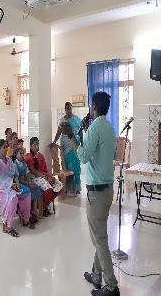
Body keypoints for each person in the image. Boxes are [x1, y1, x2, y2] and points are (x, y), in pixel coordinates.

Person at [66, 92, 119, 296]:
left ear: (94, 106)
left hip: (97, 192)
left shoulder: (96, 127)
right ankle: (97, 276)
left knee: (100, 239)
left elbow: (83, 156)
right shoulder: (108, 126)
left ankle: (112, 287)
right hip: (107, 189)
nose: (90, 108)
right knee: (100, 235)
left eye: (90, 105)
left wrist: (72, 137)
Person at [0, 140, 33, 237]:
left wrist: (15, 184)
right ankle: (8, 226)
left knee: (27, 192)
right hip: (1, 189)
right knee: (13, 198)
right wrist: (10, 186)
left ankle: (26, 219)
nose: (6, 149)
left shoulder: (9, 160)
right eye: (4, 147)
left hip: (11, 184)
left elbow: (13, 175)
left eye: (7, 146)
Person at [25, 137, 63, 217]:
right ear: (31, 146)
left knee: (59, 185)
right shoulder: (29, 157)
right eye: (35, 145)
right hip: (35, 177)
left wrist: (49, 175)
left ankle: (45, 205)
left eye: (38, 144)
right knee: (49, 189)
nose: (37, 147)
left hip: (43, 176)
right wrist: (45, 177)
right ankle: (43, 207)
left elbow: (45, 169)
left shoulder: (41, 155)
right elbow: (33, 171)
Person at [52, 101, 82, 194]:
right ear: (65, 110)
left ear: (71, 108)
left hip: (74, 142)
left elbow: (80, 132)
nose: (68, 110)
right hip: (64, 143)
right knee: (66, 164)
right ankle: (68, 187)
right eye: (67, 108)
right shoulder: (62, 120)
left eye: (70, 108)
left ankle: (76, 187)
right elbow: (58, 132)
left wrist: (82, 143)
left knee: (75, 164)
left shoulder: (77, 119)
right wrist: (54, 142)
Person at [13, 148, 42, 222]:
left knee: (37, 188)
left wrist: (30, 182)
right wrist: (28, 184)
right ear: (16, 155)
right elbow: (18, 178)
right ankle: (29, 212)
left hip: (26, 181)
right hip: (20, 182)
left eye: (23, 153)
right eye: (21, 154)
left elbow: (27, 174)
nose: (23, 155)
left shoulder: (24, 163)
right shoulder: (14, 164)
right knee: (29, 190)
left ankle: (35, 209)